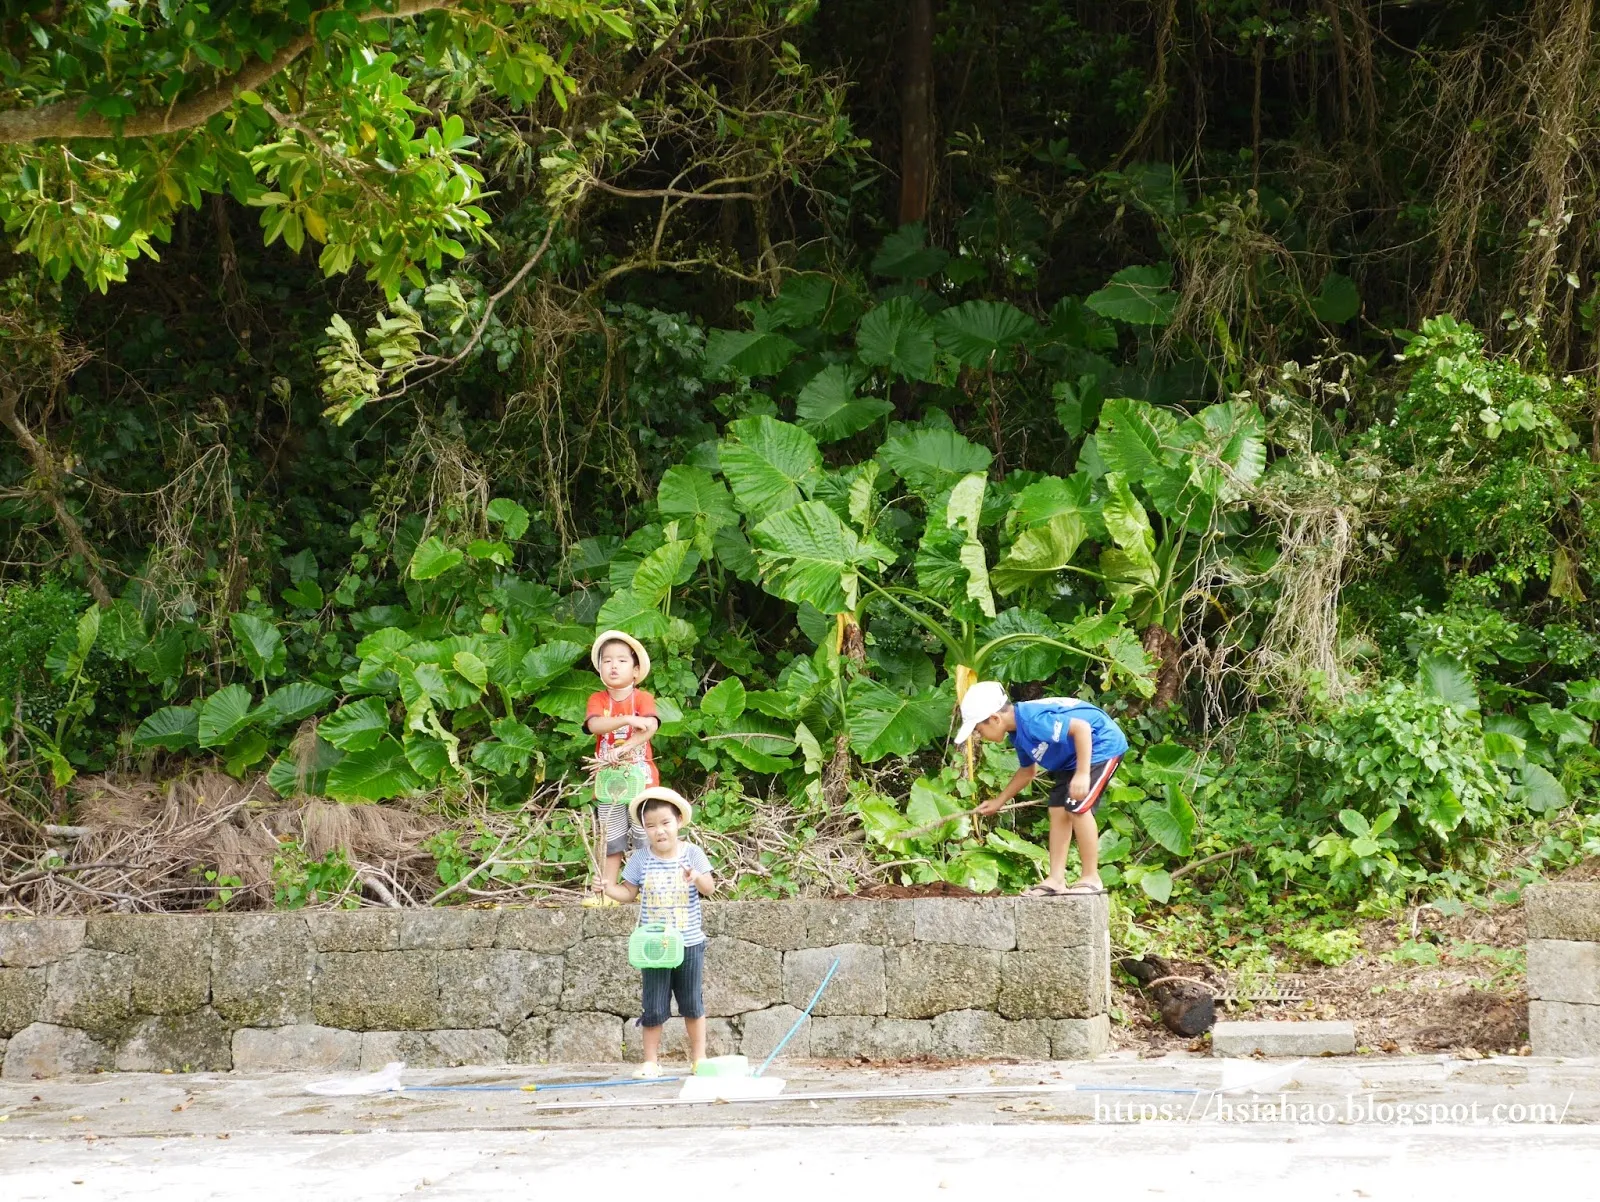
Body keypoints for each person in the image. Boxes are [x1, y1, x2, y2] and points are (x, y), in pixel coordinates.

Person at [954, 680, 1128, 897]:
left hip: (1101, 745)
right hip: (1071, 758)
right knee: (1057, 809)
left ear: (995, 719)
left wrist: (1083, 774)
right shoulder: (1018, 734)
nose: (980, 735)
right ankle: (1056, 879)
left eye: (979, 729)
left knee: (1077, 807)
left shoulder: (1033, 720)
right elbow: (1028, 772)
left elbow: (1081, 729)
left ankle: (1091, 877)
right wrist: (999, 801)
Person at [593, 786, 715, 1077]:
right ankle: (650, 1061)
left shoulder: (693, 854)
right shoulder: (640, 858)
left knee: (692, 1003)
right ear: (644, 830)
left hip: (689, 943)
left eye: (665, 823)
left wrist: (696, 877)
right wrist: (608, 888)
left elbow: (709, 889)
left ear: (679, 823)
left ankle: (699, 1059)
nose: (659, 831)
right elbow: (628, 893)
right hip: (653, 945)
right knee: (653, 1005)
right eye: (650, 826)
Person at [582, 629, 660, 902]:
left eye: (622, 660)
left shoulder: (643, 698)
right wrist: (627, 720)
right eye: (607, 660)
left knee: (645, 837)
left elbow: (650, 726)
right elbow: (594, 725)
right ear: (600, 668)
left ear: (636, 671)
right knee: (611, 840)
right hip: (609, 784)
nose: (613, 666)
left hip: (642, 781)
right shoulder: (598, 700)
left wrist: (625, 748)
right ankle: (607, 892)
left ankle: (646, 890)